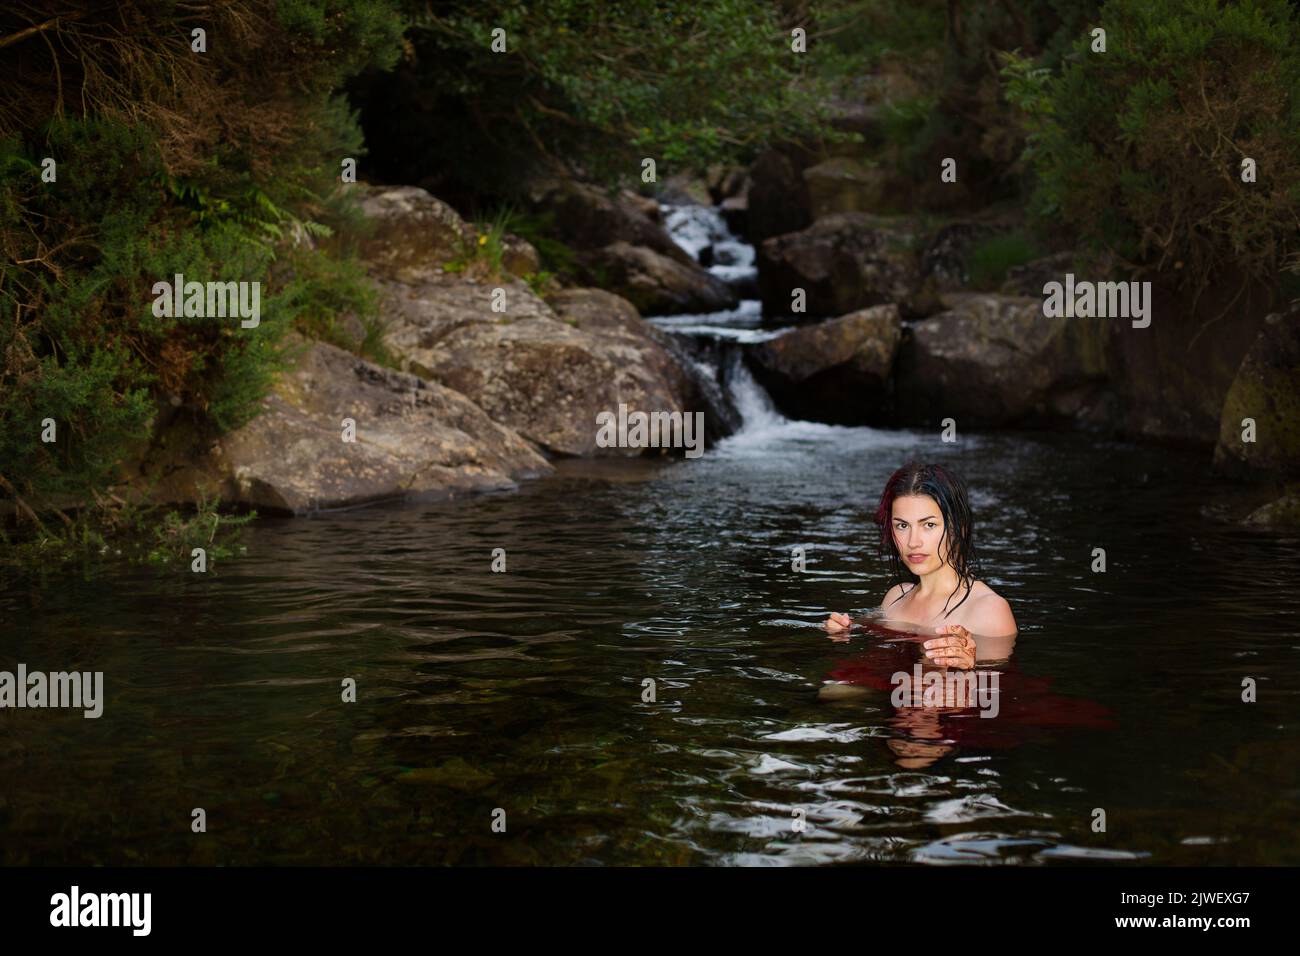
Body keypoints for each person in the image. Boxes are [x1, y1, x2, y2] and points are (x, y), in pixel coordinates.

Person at [824, 461, 1016, 669]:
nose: (913, 542)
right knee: (831, 692)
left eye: (929, 525)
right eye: (902, 525)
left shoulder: (989, 610)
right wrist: (843, 628)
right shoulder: (896, 596)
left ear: (958, 528)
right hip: (894, 690)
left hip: (945, 699)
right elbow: (865, 631)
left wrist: (970, 667)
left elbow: (1001, 690)